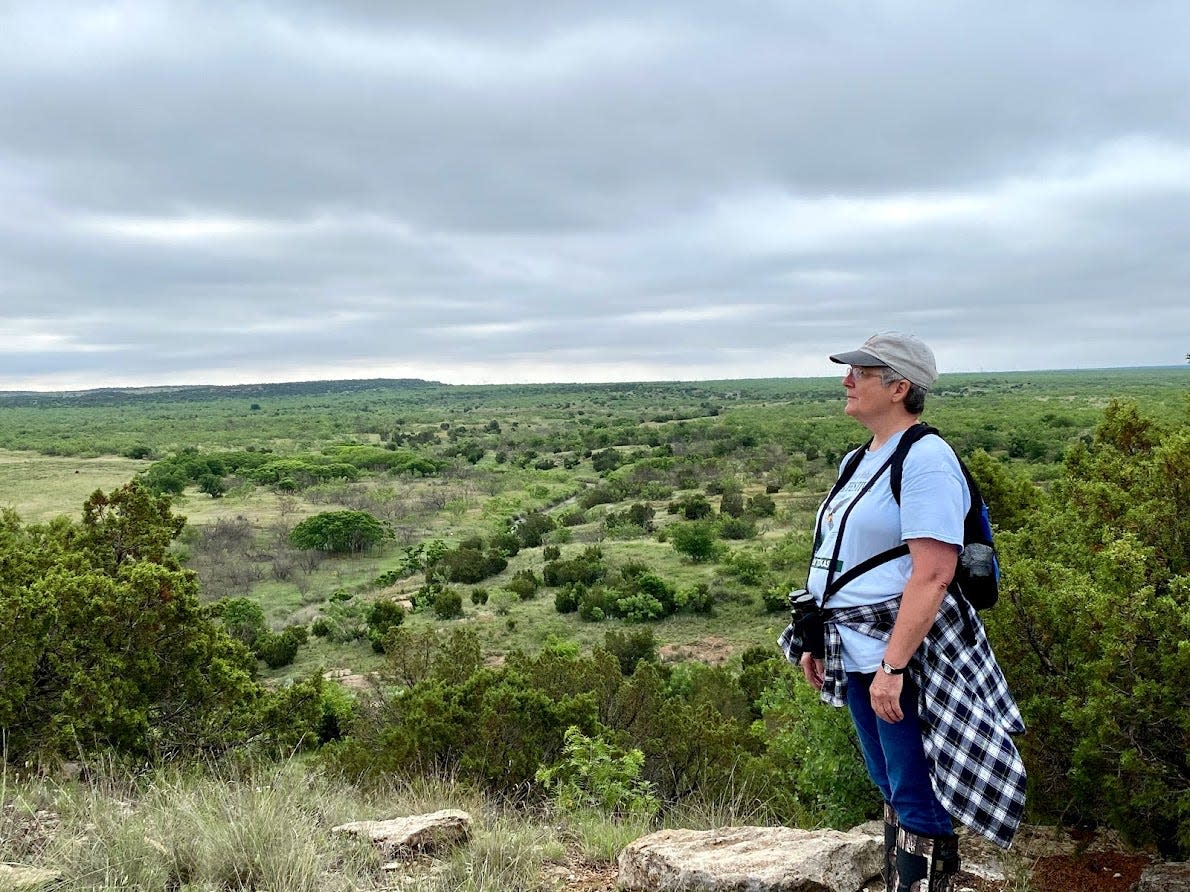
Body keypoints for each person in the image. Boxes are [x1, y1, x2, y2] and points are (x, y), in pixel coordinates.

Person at [779, 332, 1026, 892]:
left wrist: (893, 669)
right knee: (889, 780)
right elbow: (841, 556)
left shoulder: (927, 459)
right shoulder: (858, 459)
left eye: (860, 373)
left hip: (905, 652)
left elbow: (934, 573)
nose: (846, 380)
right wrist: (814, 635)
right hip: (856, 646)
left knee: (916, 788)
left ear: (899, 387)